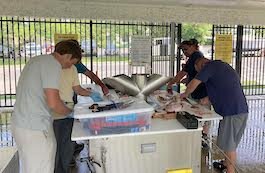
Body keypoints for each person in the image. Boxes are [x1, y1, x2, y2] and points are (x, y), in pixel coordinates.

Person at [11, 39, 82, 173]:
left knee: (29, 167)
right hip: (35, 128)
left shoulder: (36, 60)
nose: (68, 67)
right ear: (67, 56)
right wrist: (71, 112)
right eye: (70, 63)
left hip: (20, 124)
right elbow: (53, 102)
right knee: (41, 167)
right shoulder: (53, 65)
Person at [180, 57, 248, 173]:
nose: (200, 74)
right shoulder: (221, 66)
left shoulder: (209, 67)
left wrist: (184, 95)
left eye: (198, 72)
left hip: (231, 111)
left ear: (199, 65)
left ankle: (230, 171)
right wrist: (207, 99)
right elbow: (224, 88)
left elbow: (193, 84)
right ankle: (225, 163)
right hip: (240, 109)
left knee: (229, 144)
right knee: (230, 141)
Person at [53, 64, 92, 173]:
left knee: (64, 142)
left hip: (62, 109)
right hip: (60, 110)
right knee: (61, 144)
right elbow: (78, 89)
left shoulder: (71, 67)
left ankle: (64, 165)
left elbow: (78, 88)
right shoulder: (54, 66)